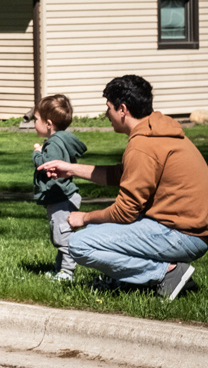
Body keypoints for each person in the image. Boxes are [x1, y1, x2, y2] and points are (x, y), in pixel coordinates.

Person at [40, 75, 208, 301]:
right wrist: (70, 169)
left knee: (79, 244)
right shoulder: (157, 131)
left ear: (122, 109)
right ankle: (133, 278)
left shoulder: (142, 146)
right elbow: (121, 175)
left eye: (108, 107)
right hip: (189, 232)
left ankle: (167, 274)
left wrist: (85, 218)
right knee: (102, 234)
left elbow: (124, 212)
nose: (106, 114)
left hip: (182, 235)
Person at [31, 94, 86, 282]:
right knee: (61, 233)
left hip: (60, 198)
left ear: (48, 123)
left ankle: (67, 273)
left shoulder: (53, 144)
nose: (34, 123)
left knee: (63, 237)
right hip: (63, 196)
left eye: (36, 119)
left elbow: (47, 166)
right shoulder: (61, 139)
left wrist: (37, 154)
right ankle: (59, 270)